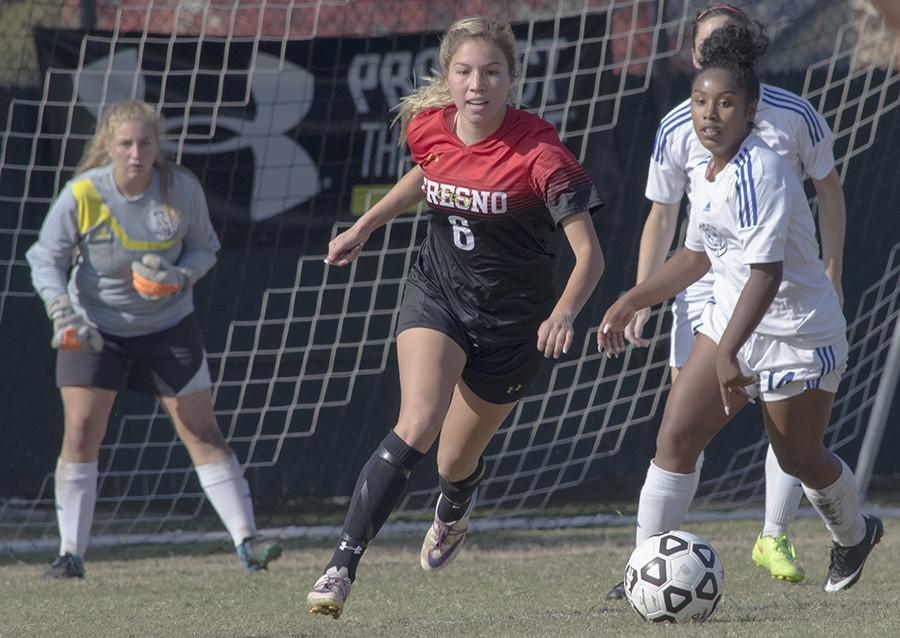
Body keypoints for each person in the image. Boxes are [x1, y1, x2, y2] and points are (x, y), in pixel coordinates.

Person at [306, 16, 605, 619]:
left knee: (453, 460)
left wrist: (564, 312)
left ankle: (455, 504)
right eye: (465, 71)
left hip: (513, 324)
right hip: (437, 294)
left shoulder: (541, 153)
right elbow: (427, 175)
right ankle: (341, 564)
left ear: (511, 79)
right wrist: (365, 226)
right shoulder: (428, 127)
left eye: (492, 72)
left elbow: (591, 255)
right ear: (447, 77)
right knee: (417, 421)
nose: (477, 84)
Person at [597, 23, 882, 595]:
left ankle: (855, 533)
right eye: (701, 101)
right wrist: (634, 297)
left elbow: (767, 273)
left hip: (797, 331)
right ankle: (642, 574)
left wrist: (727, 352)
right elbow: (696, 255)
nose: (709, 114)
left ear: (751, 109)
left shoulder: (765, 170)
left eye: (725, 103)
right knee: (675, 439)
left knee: (799, 457)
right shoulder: (706, 167)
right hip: (733, 320)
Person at [25, 100, 281, 578]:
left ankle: (248, 543)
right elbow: (44, 258)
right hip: (95, 328)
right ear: (108, 146)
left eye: (145, 142)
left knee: (201, 429)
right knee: (81, 432)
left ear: (158, 145)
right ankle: (70, 555)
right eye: (126, 143)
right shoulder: (83, 193)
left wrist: (180, 276)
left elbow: (206, 248)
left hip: (168, 326)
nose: (136, 153)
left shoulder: (180, 188)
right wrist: (62, 312)